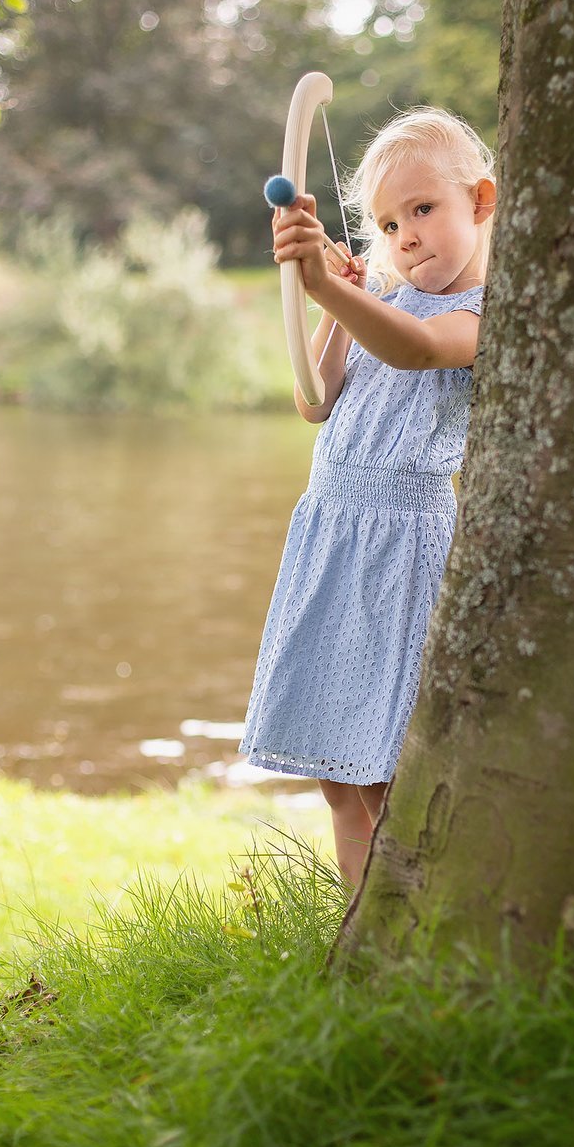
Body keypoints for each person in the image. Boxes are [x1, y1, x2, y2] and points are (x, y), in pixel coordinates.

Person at [239, 107, 495, 888]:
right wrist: (331, 308)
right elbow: (316, 401)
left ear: (481, 203)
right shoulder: (378, 302)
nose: (406, 235)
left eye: (424, 209)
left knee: (383, 770)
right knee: (336, 774)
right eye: (387, 222)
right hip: (329, 529)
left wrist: (331, 287)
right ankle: (358, 936)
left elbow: (417, 349)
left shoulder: (482, 314)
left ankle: (404, 932)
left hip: (401, 544)